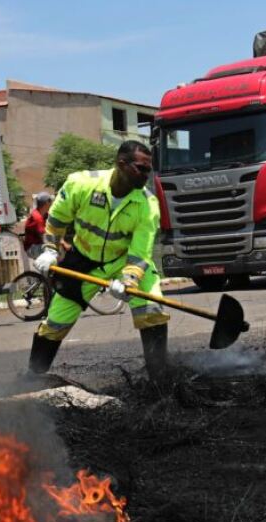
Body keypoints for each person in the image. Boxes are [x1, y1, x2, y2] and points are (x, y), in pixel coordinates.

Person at [27, 141, 170, 378]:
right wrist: (50, 249)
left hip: (123, 262)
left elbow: (140, 252)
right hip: (82, 261)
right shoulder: (81, 183)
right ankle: (32, 377)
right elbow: (58, 218)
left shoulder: (148, 205)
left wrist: (128, 282)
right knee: (55, 324)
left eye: (149, 169)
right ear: (121, 164)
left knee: (151, 308)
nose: (147, 175)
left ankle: (160, 380)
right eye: (141, 169)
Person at [23, 192, 52, 258]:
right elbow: (44, 238)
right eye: (50, 201)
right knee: (54, 249)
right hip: (32, 248)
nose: (52, 203)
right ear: (47, 203)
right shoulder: (37, 217)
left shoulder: (45, 215)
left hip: (38, 245)